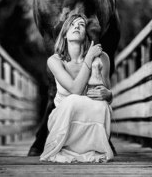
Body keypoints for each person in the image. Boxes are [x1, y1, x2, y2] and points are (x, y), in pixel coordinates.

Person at [39, 14, 114, 163]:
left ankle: (93, 148)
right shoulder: (55, 60)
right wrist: (88, 58)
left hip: (89, 115)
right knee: (73, 99)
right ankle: (65, 147)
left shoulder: (101, 58)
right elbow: (75, 90)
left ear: (86, 33)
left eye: (81, 25)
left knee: (103, 106)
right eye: (72, 25)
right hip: (64, 117)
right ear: (65, 35)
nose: (76, 27)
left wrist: (108, 94)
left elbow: (108, 94)